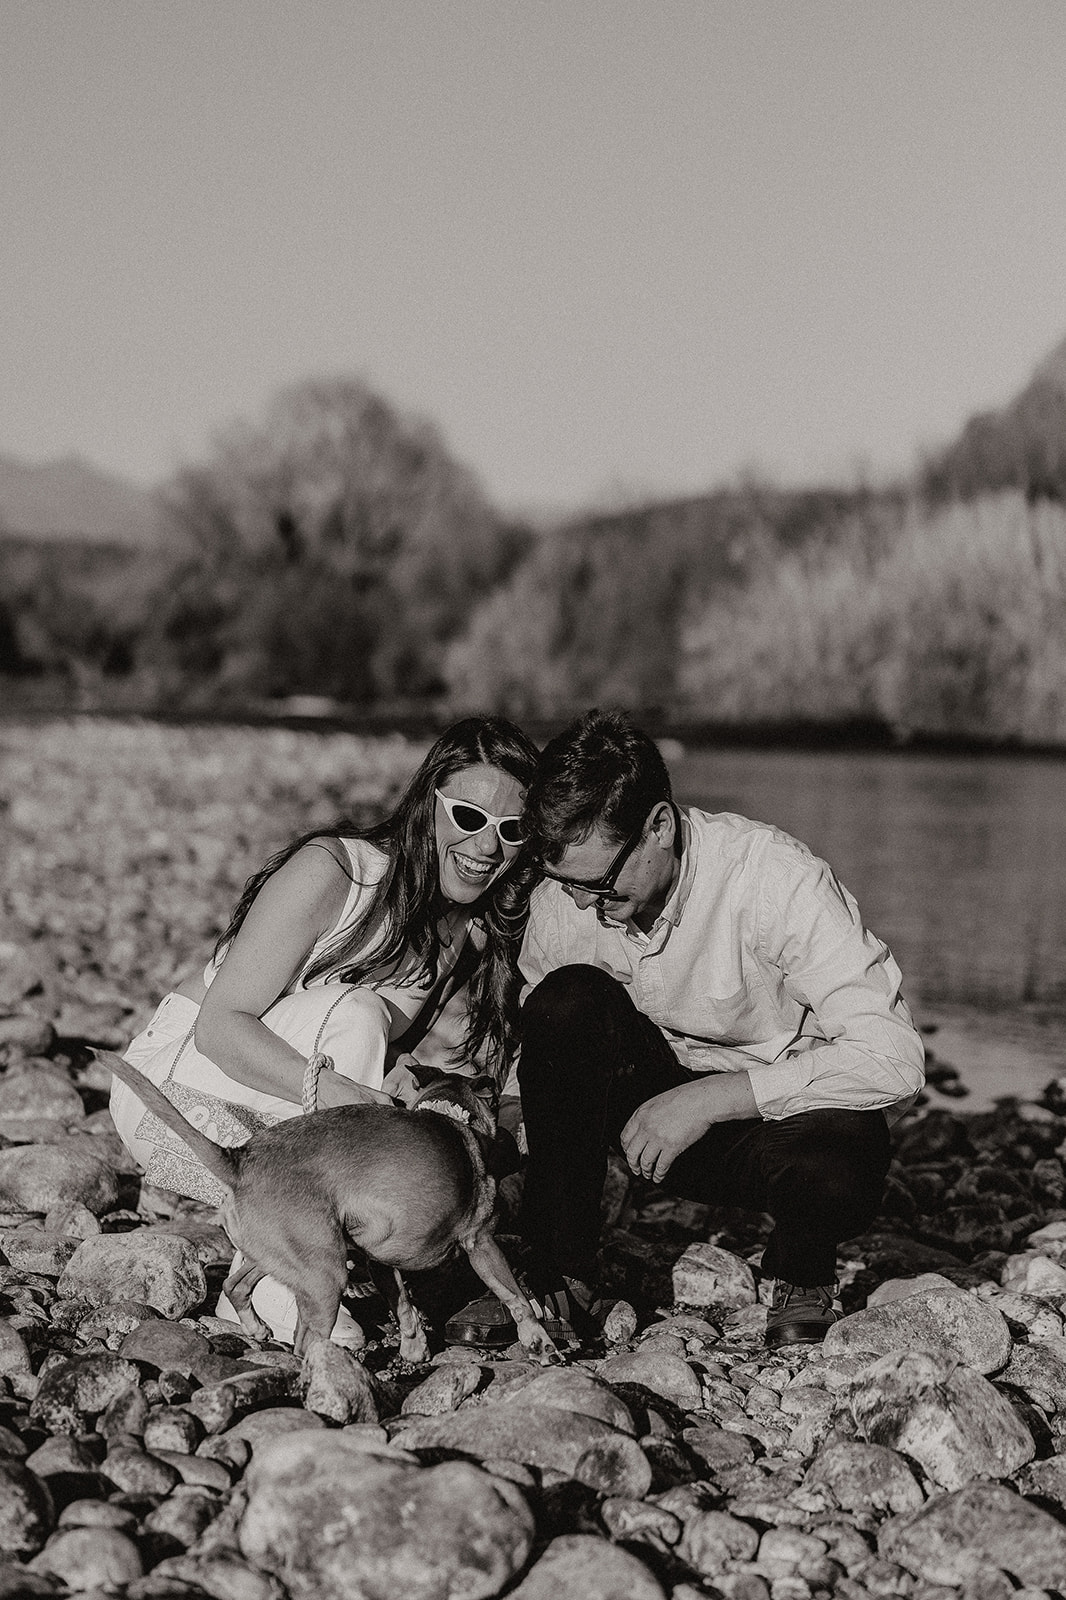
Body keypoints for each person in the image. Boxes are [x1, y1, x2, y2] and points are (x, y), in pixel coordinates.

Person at [449, 709, 925, 1351]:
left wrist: (710, 1099)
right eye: (569, 884)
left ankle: (801, 1267)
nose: (585, 904)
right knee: (567, 1001)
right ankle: (558, 1268)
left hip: (765, 1124)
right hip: (637, 1119)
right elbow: (546, 1039)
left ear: (660, 827)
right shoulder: (571, 889)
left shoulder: (775, 879)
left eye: (601, 884)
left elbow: (894, 1057)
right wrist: (502, 1144)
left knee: (844, 1163)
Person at [110, 715, 540, 1343]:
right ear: (427, 804)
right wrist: (342, 1096)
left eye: (512, 830)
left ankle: (271, 1268)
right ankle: (294, 1279)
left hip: (274, 1133)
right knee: (358, 1012)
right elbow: (220, 1029)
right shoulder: (336, 871)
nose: (485, 847)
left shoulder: (465, 929)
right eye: (469, 818)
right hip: (174, 1094)